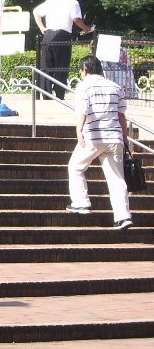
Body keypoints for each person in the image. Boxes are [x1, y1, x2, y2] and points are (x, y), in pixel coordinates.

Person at [66, 56, 133, 229]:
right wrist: (124, 137)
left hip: (93, 137)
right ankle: (123, 217)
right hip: (114, 137)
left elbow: (83, 111)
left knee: (75, 167)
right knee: (117, 179)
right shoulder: (115, 87)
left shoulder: (83, 86)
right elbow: (121, 116)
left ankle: (81, 203)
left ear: (84, 70)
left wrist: (78, 130)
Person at [33, 0, 94, 100]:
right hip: (62, 35)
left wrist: (42, 27)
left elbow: (36, 12)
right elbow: (76, 19)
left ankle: (46, 95)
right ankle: (60, 95)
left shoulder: (51, 1)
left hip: (48, 34)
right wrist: (87, 28)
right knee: (62, 66)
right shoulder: (73, 3)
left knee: (47, 66)